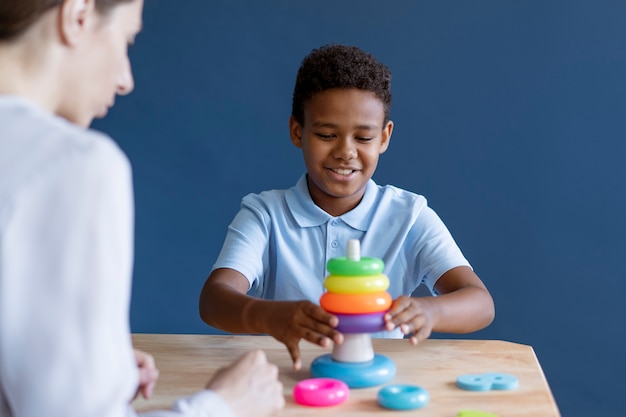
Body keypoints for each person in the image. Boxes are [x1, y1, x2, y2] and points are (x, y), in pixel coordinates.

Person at [0, 1, 284, 416]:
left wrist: (90, 370)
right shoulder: (74, 165)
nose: (124, 79)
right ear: (77, 16)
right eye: (126, 39)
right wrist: (223, 405)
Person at [199, 44, 496, 371]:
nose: (345, 152)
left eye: (364, 138)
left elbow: (481, 302)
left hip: (378, 387)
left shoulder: (410, 217)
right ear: (298, 131)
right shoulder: (265, 215)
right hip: (289, 383)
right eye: (327, 134)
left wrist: (430, 312)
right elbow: (214, 299)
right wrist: (269, 315)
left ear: (384, 137)